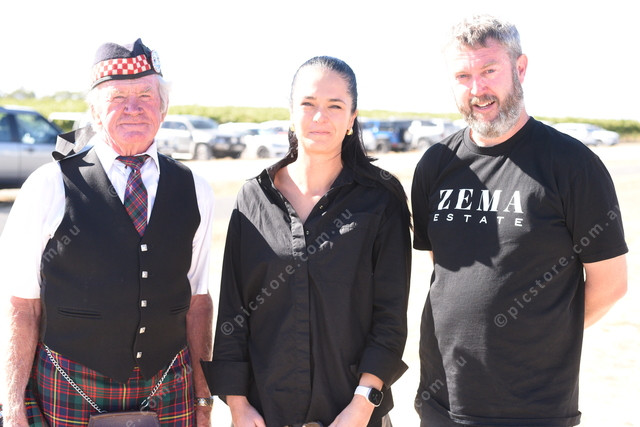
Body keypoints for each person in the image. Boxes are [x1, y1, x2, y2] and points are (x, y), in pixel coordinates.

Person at [411, 14, 628, 427]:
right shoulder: (436, 164)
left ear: (520, 68)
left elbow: (611, 283)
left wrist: (542, 333)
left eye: (489, 71)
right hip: (442, 402)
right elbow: (444, 269)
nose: (477, 89)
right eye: (463, 76)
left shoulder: (571, 165)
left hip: (533, 409)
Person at [0, 39, 215, 426]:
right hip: (69, 385)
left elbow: (198, 302)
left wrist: (203, 398)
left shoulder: (195, 188)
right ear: (95, 111)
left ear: (163, 107)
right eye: (117, 97)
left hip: (170, 387)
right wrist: (12, 407)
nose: (133, 108)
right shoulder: (49, 185)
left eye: (145, 95)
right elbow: (21, 306)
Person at [201, 56, 412, 427]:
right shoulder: (253, 198)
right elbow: (234, 311)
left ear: (352, 118)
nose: (319, 117)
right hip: (264, 416)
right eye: (308, 104)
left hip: (354, 415)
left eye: (335, 106)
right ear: (291, 112)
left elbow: (390, 318)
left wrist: (362, 405)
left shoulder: (381, 200)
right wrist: (238, 405)